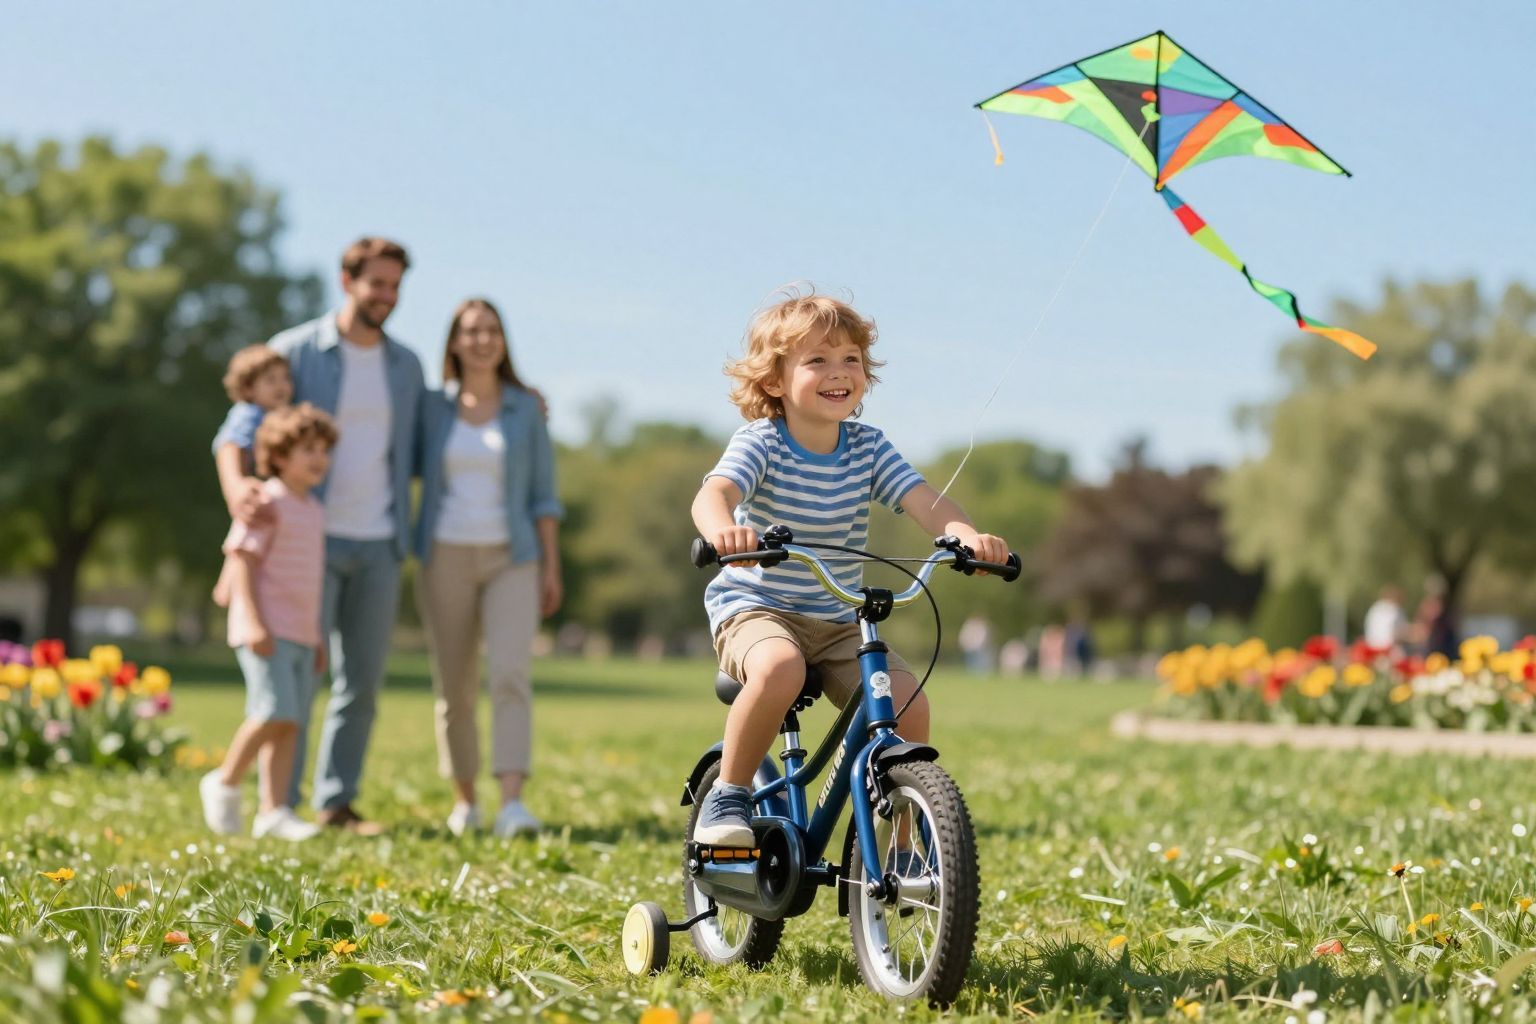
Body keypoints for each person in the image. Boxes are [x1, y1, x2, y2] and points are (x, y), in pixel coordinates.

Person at [689, 290, 1009, 846]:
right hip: (757, 608)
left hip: (838, 620)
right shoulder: (762, 443)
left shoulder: (867, 448)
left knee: (906, 702)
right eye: (817, 360)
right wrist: (724, 531)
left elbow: (925, 501)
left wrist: (965, 536)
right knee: (780, 669)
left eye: (851, 360)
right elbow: (714, 493)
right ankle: (731, 793)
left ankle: (904, 841)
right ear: (773, 382)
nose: (839, 372)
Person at [217, 237, 424, 833]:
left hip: (381, 539)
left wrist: (521, 398)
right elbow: (236, 429)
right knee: (298, 680)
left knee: (359, 683)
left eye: (394, 287)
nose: (386, 297)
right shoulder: (294, 352)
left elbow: (435, 430)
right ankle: (279, 807)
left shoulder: (406, 366)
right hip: (305, 541)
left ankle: (335, 804)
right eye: (376, 284)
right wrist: (237, 489)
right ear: (346, 280)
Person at [414, 299, 563, 838]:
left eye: (492, 330)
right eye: (471, 331)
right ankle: (465, 800)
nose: (482, 339)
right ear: (453, 342)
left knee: (509, 675)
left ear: (503, 341)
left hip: (513, 557)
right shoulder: (431, 407)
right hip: (443, 555)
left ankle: (511, 804)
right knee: (454, 685)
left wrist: (551, 566)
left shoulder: (526, 408)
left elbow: (545, 495)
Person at [200, 404, 337, 840]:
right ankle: (223, 782)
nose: (318, 459)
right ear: (277, 456)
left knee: (290, 721)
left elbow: (310, 580)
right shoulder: (266, 501)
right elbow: (241, 559)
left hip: (299, 631)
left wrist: (316, 636)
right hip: (264, 629)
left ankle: (274, 812)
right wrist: (255, 622)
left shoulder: (313, 509)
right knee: (270, 710)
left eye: (323, 450)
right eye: (307, 450)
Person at [211, 344, 294, 608]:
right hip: (254, 489)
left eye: (285, 379)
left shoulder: (272, 414)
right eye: (271, 380)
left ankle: (227, 585)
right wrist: (240, 483)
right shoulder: (249, 414)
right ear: (248, 389)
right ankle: (226, 587)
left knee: (249, 538)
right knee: (247, 538)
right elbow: (229, 442)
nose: (281, 386)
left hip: (262, 489)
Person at [1363, 584, 1406, 653]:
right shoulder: (1394, 609)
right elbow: (1395, 633)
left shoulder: (1375, 607)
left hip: (1371, 646)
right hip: (1386, 648)